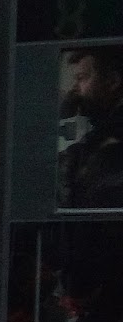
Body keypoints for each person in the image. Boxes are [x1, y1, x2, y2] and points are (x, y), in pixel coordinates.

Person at [60, 47, 123, 209]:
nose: (75, 89)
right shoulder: (100, 131)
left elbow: (76, 198)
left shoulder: (111, 142)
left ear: (113, 81)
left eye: (81, 78)